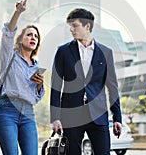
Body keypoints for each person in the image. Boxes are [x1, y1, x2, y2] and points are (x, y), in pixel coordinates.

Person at [50, 8, 123, 155]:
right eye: (70, 26)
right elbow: (56, 86)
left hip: (98, 114)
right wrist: (55, 117)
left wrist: (117, 118)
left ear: (87, 26)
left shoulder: (105, 52)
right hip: (71, 114)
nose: (71, 29)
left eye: (75, 25)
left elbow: (112, 87)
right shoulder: (63, 51)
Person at [0, 0, 45, 155]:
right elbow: (7, 34)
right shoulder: (9, 56)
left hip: (28, 113)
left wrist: (39, 85)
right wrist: (18, 12)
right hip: (7, 110)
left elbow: (37, 97)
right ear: (20, 39)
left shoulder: (36, 66)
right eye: (29, 34)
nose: (33, 37)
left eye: (36, 36)